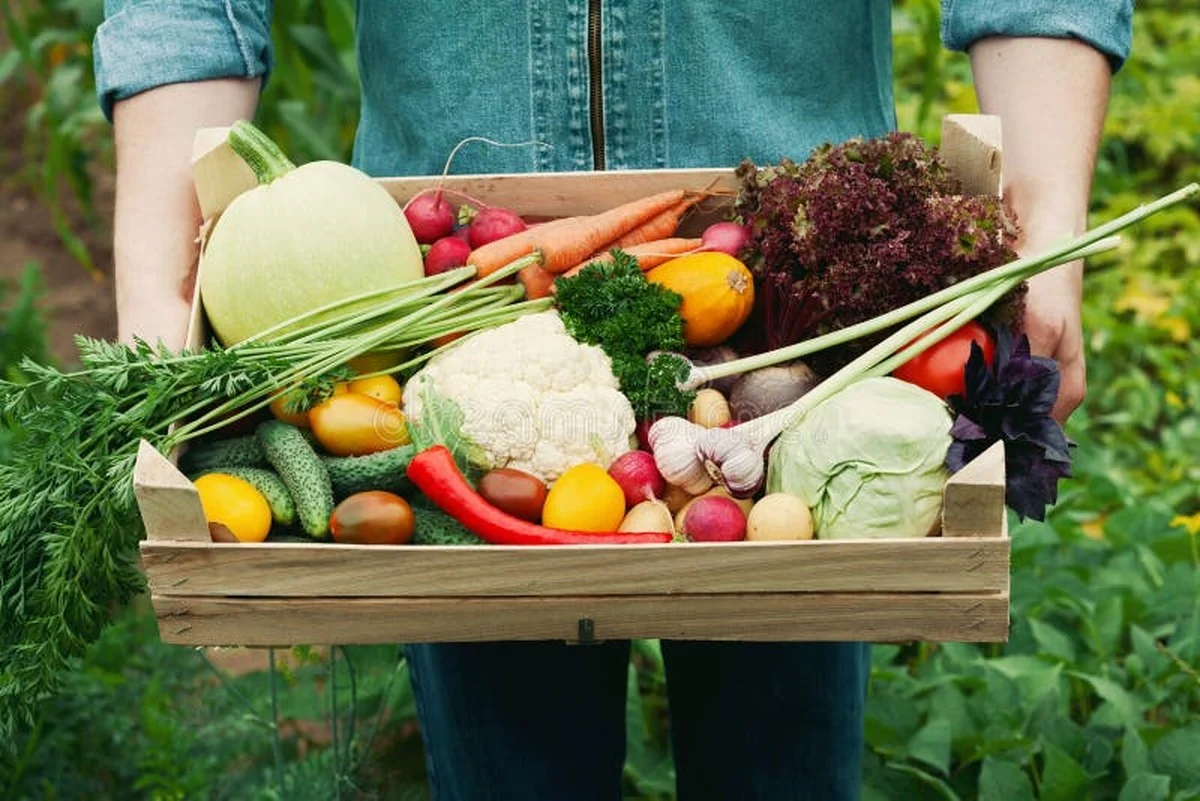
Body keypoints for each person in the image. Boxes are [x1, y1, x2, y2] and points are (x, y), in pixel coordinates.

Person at [94, 3, 1132, 798]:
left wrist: (1045, 212)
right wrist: (153, 284)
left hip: (797, 286)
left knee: (783, 754)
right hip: (423, 302)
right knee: (509, 768)